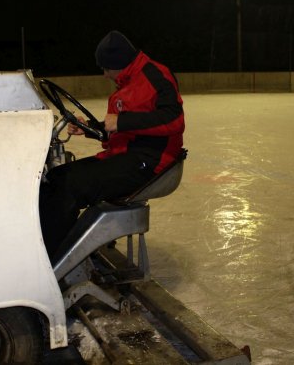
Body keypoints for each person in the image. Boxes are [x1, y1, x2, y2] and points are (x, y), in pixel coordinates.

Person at [40, 30, 185, 258]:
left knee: (70, 186)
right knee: (58, 177)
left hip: (150, 161)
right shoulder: (126, 84)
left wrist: (122, 121)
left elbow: (174, 119)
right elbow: (123, 131)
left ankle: (50, 260)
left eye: (106, 68)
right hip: (126, 155)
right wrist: (90, 127)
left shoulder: (155, 75)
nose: (105, 75)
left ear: (119, 63)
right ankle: (60, 249)